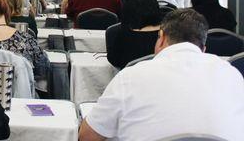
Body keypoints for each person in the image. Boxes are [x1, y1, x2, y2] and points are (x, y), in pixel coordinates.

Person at [79, 9, 244, 141]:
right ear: (203, 49)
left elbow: (86, 137)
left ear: (162, 37)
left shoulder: (131, 76)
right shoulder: (233, 75)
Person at [106, 0, 162, 69]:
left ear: (127, 11)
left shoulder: (121, 34)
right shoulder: (167, 34)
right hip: (161, 79)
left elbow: (114, 60)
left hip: (130, 79)